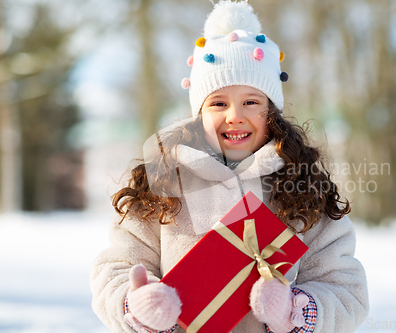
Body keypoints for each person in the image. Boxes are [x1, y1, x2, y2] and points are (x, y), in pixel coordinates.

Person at [90, 1, 369, 333]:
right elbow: (117, 267)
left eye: (251, 102)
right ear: (199, 114)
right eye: (218, 103)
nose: (235, 115)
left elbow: (346, 290)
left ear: (272, 113)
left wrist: (295, 311)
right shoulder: (164, 183)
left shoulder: (303, 188)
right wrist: (138, 303)